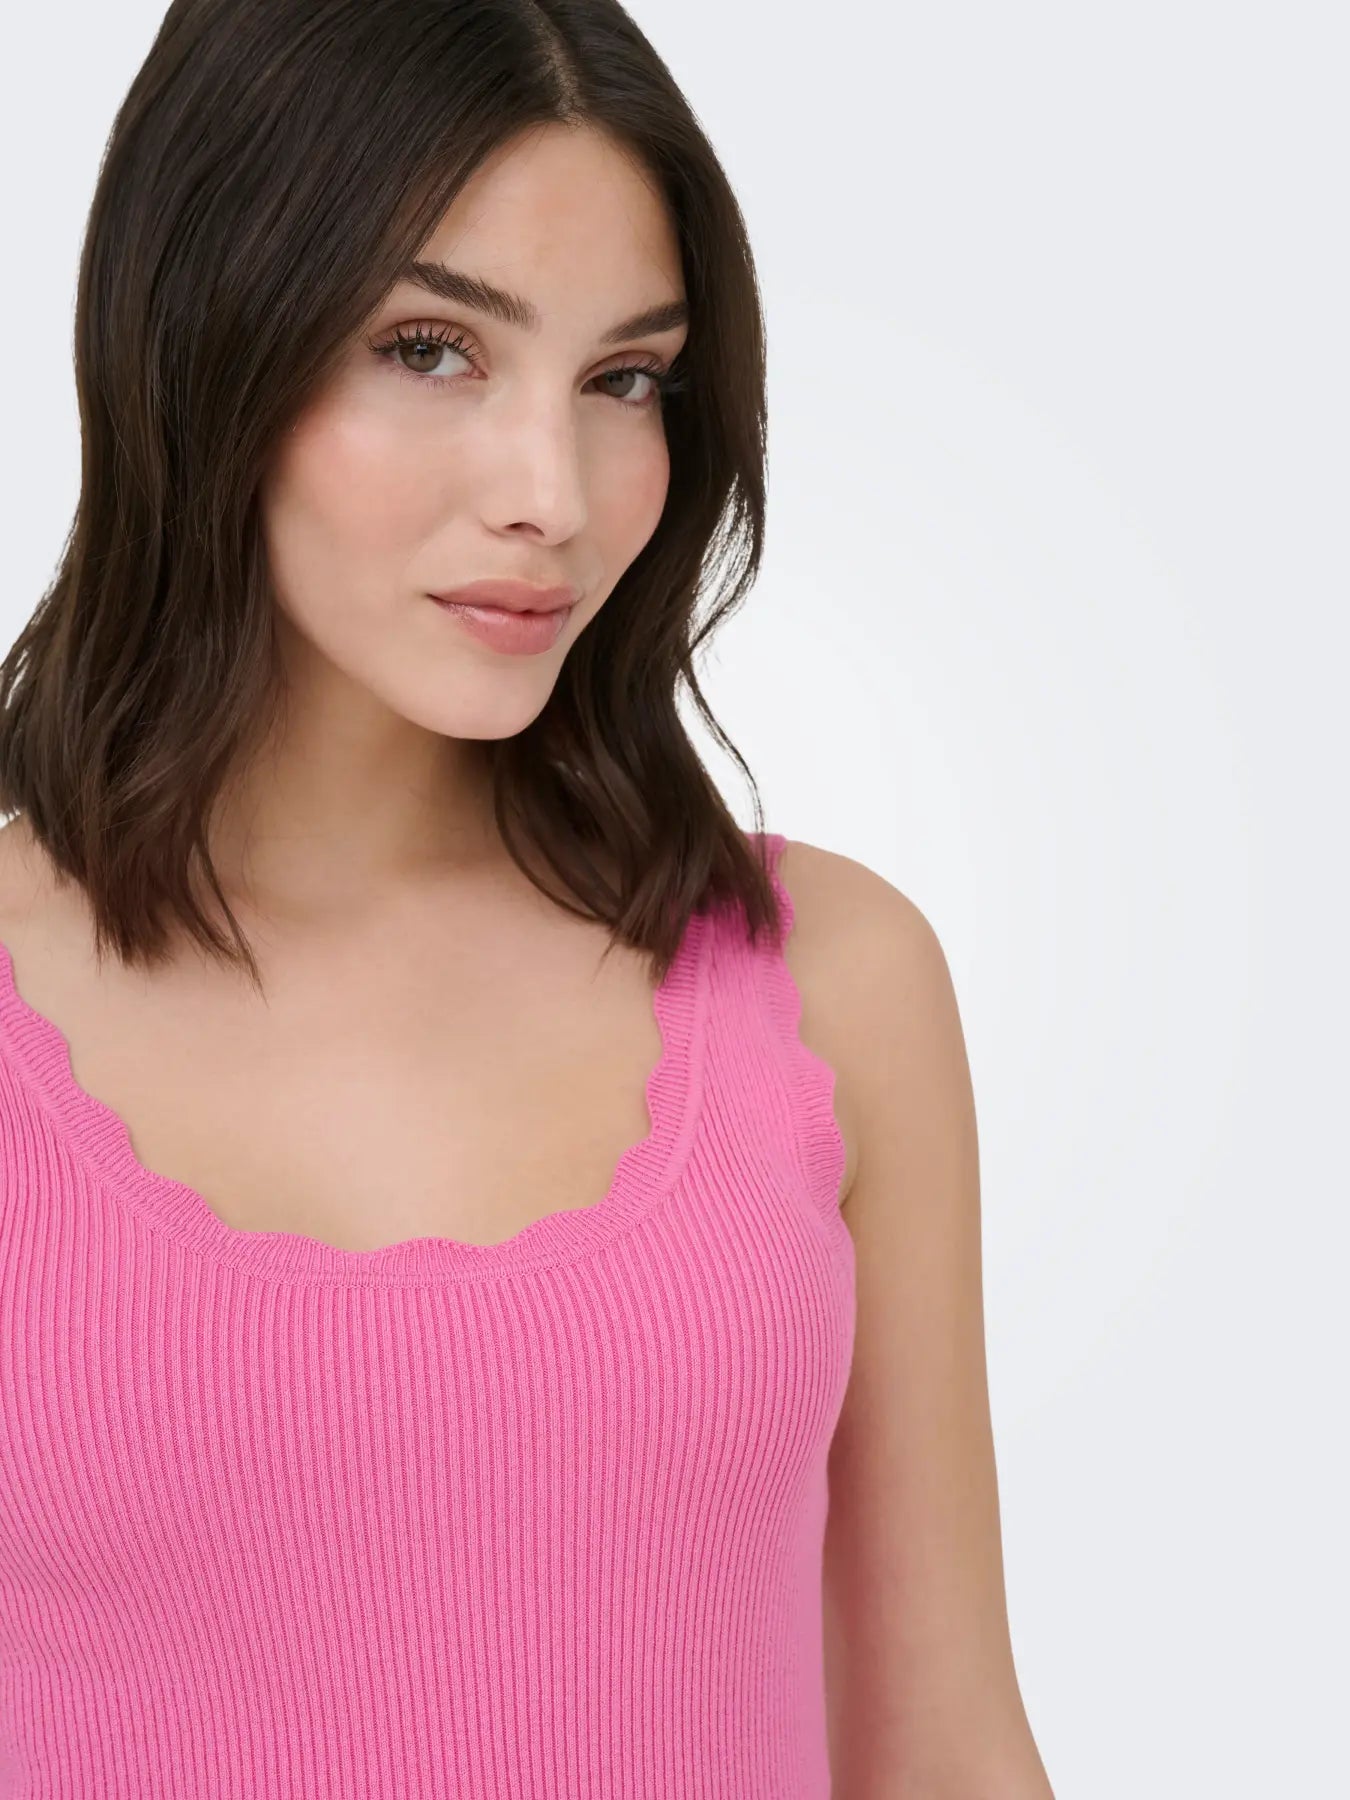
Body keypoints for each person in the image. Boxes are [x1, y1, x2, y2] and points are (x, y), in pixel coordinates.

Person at [0, 1, 1053, 1795]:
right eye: (430, 349)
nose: (550, 497)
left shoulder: (829, 984)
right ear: (198, 338)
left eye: (623, 379)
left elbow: (943, 1752)